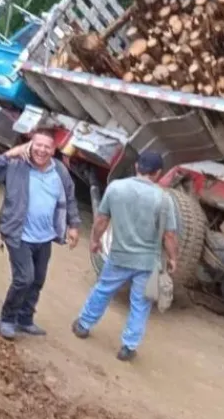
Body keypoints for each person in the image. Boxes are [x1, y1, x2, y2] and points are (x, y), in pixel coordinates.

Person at [71, 151, 179, 362]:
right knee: (140, 304)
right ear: (158, 173)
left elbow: (102, 220)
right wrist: (173, 258)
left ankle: (83, 325)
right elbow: (169, 235)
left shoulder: (116, 188)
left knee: (102, 290)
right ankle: (128, 347)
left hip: (119, 256)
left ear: (137, 166)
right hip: (148, 263)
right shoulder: (164, 200)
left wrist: (94, 240)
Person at [0, 130, 81, 340]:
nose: (42, 150)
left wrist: (73, 225)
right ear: (30, 145)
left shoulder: (59, 170)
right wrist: (9, 154)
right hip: (18, 234)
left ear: (54, 150)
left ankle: (25, 319)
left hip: (45, 237)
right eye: (38, 145)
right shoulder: (16, 165)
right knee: (24, 278)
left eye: (47, 147)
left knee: (37, 280)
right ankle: (7, 319)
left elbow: (69, 198)